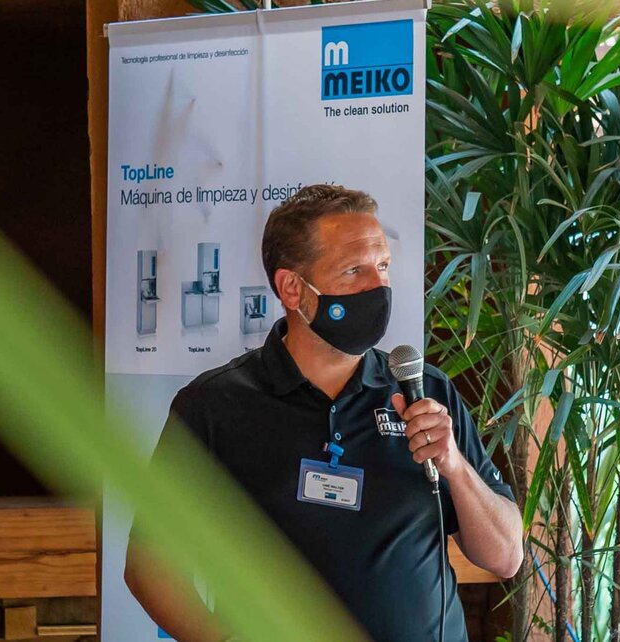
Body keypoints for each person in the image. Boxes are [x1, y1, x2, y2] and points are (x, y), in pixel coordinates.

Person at [125, 184, 524, 642]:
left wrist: (454, 466)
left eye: (383, 267)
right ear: (292, 288)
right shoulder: (214, 405)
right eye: (354, 270)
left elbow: (506, 556)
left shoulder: (425, 392)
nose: (378, 287)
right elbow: (149, 565)